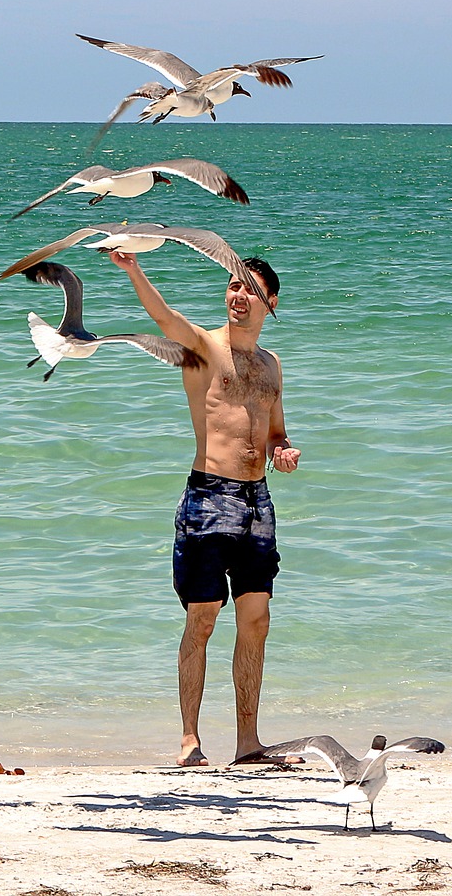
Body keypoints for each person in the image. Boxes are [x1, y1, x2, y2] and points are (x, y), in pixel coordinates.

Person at [109, 251, 300, 767]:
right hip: (209, 496)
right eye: (233, 286)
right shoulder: (202, 348)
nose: (238, 297)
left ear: (270, 302)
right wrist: (133, 270)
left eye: (249, 290)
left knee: (256, 619)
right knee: (203, 618)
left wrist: (283, 450)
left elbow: (276, 428)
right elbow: (164, 319)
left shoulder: (272, 364)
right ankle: (190, 740)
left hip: (257, 502)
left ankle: (248, 743)